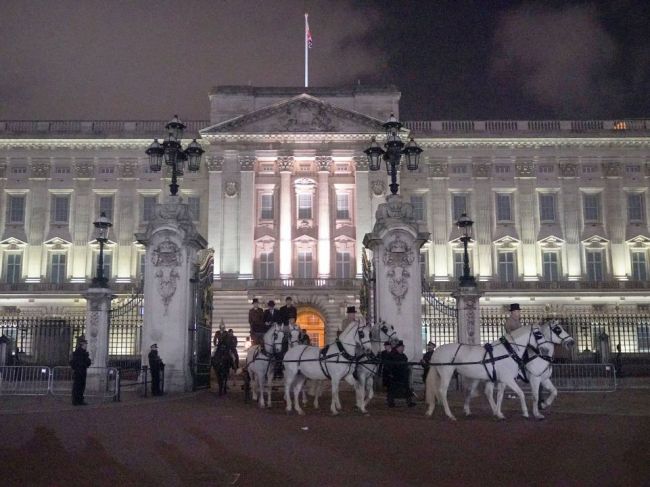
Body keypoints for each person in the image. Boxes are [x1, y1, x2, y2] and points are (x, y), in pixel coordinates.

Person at [386, 341, 415, 407]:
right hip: (394, 375)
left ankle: (409, 402)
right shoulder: (391, 355)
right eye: (402, 347)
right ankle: (390, 402)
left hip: (403, 375)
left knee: (406, 388)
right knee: (392, 389)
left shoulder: (403, 355)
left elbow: (405, 362)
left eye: (403, 347)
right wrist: (390, 373)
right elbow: (388, 365)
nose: (403, 348)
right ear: (398, 348)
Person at [70, 335, 91, 406]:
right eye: (85, 344)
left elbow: (88, 363)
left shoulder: (82, 352)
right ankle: (76, 400)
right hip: (79, 371)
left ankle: (79, 400)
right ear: (82, 345)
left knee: (81, 386)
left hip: (81, 371)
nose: (86, 346)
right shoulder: (79, 353)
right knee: (78, 386)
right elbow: (74, 362)